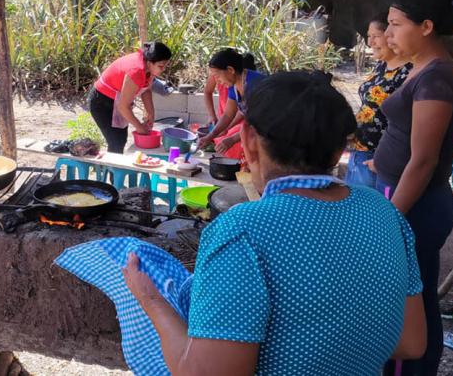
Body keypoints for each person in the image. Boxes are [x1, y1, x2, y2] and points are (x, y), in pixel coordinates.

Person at [124, 71, 426, 374]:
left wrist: (149, 298)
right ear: (339, 149)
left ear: (249, 140)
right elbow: (410, 342)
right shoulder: (384, 211)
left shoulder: (243, 231)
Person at [371, 0, 453, 376]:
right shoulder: (423, 70)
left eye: (396, 25)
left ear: (426, 27)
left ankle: (410, 370)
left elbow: (424, 160)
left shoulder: (437, 80)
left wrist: (392, 217)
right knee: (412, 291)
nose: (388, 34)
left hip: (416, 202)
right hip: (406, 194)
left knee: (409, 297)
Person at [346, 12, 412, 187]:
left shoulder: (409, 73)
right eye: (369, 36)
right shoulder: (381, 65)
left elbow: (408, 124)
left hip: (378, 158)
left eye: (376, 36)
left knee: (370, 212)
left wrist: (384, 160)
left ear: (391, 36)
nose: (370, 42)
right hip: (358, 151)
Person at [88, 42, 172, 153]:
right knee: (116, 142)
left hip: (116, 100)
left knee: (121, 139)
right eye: (161, 66)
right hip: (102, 102)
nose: (163, 70)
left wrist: (151, 113)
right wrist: (139, 127)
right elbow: (123, 106)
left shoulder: (148, 67)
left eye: (165, 66)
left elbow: (146, 90)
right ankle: (112, 169)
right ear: (150, 62)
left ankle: (113, 168)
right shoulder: (136, 71)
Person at [198, 48, 265, 157]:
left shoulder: (255, 84)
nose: (217, 80)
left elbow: (260, 124)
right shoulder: (234, 85)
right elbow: (228, 115)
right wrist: (210, 136)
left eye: (217, 76)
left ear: (230, 70)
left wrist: (232, 139)